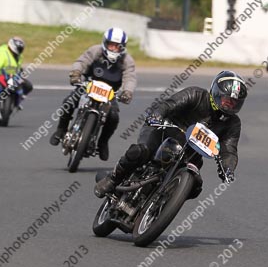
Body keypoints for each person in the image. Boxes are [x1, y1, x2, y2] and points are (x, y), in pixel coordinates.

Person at [94, 70, 246, 199]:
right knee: (140, 151)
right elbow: (168, 105)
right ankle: (113, 179)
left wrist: (228, 169)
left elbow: (229, 149)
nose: (230, 105)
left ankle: (161, 203)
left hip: (191, 153)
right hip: (162, 132)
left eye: (234, 102)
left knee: (196, 186)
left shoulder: (233, 123)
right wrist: (157, 116)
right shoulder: (196, 94)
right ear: (216, 93)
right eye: (227, 100)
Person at [49, 27, 136, 161]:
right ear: (105, 43)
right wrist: (76, 74)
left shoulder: (127, 60)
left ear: (123, 47)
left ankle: (102, 143)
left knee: (113, 117)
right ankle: (61, 130)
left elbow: (130, 77)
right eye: (111, 45)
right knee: (68, 102)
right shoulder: (95, 50)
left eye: (117, 46)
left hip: (110, 92)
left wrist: (127, 92)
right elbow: (81, 62)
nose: (113, 49)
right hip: (89, 85)